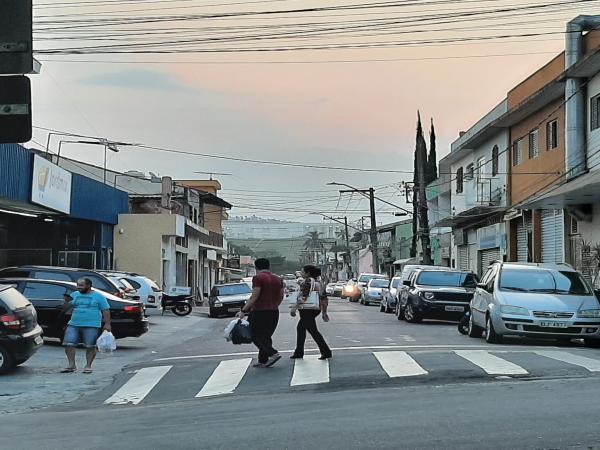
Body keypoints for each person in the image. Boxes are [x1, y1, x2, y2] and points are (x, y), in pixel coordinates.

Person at [236, 258, 284, 368]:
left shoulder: (258, 278)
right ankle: (263, 360)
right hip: (274, 311)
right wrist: (274, 305)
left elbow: (255, 296)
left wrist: (244, 310)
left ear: (256, 267)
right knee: (266, 336)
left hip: (260, 311)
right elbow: (281, 296)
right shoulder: (278, 279)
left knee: (254, 335)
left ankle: (273, 353)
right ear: (269, 266)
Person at [61, 278, 111, 374]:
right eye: (78, 285)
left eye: (81, 285)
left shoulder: (98, 296)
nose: (78, 287)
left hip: (92, 325)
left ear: (88, 285)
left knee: (90, 346)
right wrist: (66, 302)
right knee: (69, 344)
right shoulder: (75, 295)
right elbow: (65, 309)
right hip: (74, 323)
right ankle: (71, 365)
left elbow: (105, 310)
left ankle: (88, 366)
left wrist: (107, 324)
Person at [290, 265, 332, 360]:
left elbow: (305, 295)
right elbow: (324, 298)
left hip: (308, 310)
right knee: (305, 329)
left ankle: (324, 351)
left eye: (303, 271)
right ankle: (300, 352)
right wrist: (324, 312)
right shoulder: (319, 282)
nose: (301, 273)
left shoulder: (309, 281)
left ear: (308, 273)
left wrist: (295, 307)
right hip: (315, 309)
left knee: (308, 330)